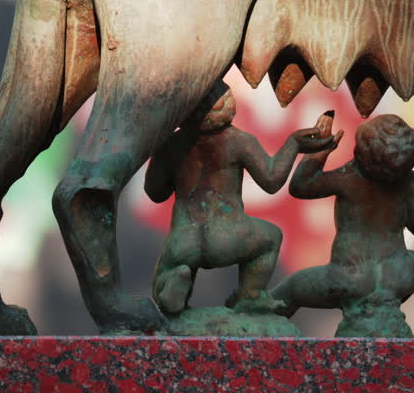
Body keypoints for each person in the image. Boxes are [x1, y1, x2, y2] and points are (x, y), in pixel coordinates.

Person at [144, 80, 340, 315]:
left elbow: (155, 193)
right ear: (226, 104)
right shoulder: (239, 141)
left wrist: (164, 154)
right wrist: (293, 144)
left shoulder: (172, 144)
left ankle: (173, 283)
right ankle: (250, 296)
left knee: (167, 272)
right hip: (228, 237)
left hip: (184, 239)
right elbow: (271, 181)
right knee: (271, 237)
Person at [272, 114, 414, 336]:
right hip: (396, 274)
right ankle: (381, 304)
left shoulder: (349, 177)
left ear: (361, 154)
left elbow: (301, 186)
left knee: (291, 289)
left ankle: (263, 321)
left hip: (348, 277)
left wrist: (320, 151)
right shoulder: (411, 181)